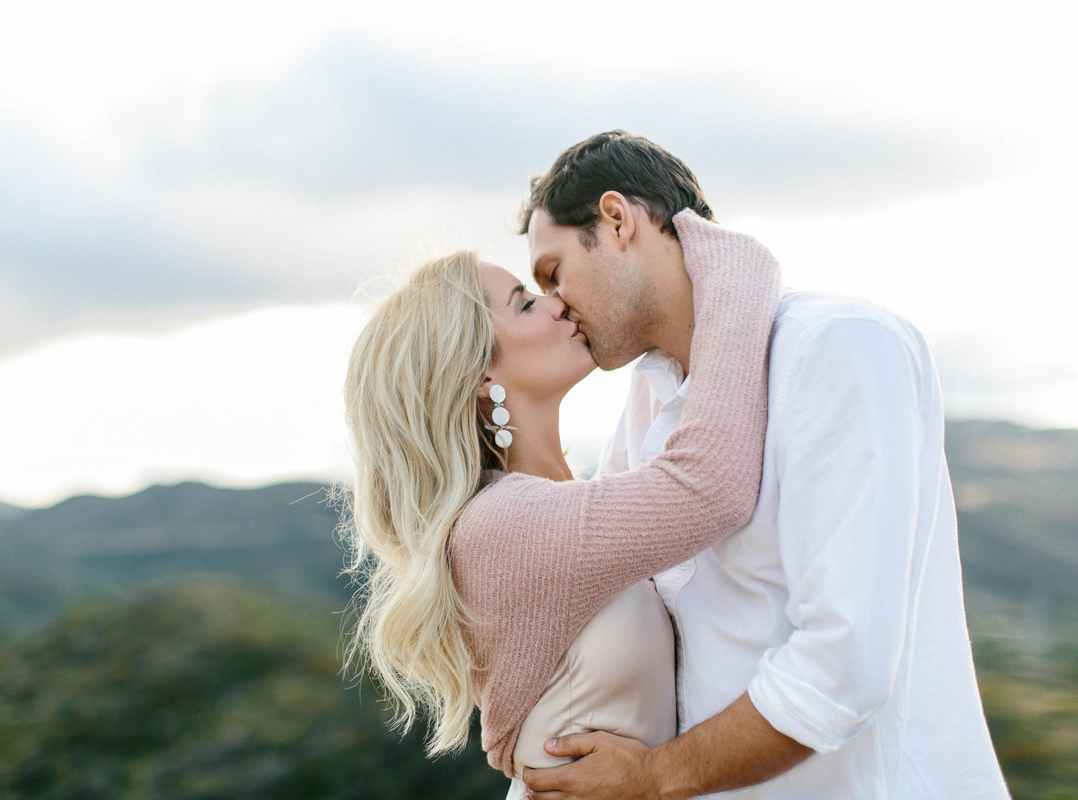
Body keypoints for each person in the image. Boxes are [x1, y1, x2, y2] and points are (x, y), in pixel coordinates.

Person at [519, 130, 1010, 799]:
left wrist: (655, 778)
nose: (552, 303)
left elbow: (844, 665)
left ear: (616, 220)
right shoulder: (647, 399)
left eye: (553, 273)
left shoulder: (836, 348)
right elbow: (597, 588)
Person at [342, 211, 783, 796]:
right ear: (477, 375)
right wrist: (735, 268)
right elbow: (710, 485)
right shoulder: (506, 526)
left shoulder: (552, 500)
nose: (556, 304)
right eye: (526, 303)